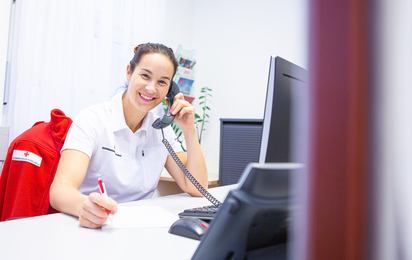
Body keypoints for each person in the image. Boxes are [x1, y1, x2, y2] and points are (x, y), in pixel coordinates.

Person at [50, 43, 208, 229]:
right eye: (145, 76)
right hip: (94, 227)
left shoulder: (162, 129)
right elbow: (60, 190)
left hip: (140, 229)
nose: (151, 88)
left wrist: (189, 129)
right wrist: (83, 206)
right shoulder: (93, 119)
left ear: (170, 91)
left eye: (162, 82)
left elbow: (197, 188)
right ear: (129, 72)